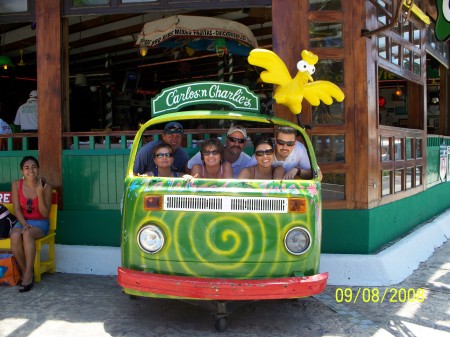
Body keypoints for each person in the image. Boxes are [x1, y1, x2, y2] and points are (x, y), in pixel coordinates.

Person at [10, 156, 52, 293]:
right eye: (26, 168)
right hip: (23, 221)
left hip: (40, 223)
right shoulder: (16, 185)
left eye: (34, 167)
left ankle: (27, 275)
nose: (31, 171)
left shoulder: (46, 187)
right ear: (22, 171)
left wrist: (39, 192)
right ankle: (27, 270)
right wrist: (24, 224)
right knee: (15, 235)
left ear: (38, 169)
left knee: (27, 234)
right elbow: (16, 208)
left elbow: (45, 214)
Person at [187, 125, 253, 178]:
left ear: (245, 144)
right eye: (233, 140)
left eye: (241, 141)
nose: (236, 144)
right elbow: (188, 167)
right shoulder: (209, 150)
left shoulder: (248, 161)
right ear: (226, 140)